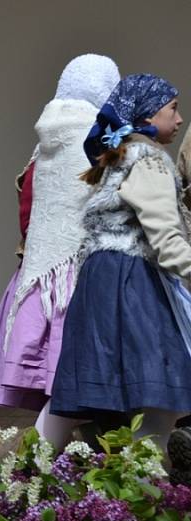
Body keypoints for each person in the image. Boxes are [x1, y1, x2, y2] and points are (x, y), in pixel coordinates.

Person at [0, 54, 121, 449]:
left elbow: (27, 212)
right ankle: (30, 476)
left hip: (42, 276)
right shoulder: (95, 142)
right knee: (72, 388)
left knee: (72, 392)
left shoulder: (45, 146)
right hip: (80, 280)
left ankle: (63, 476)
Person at [50, 74, 188, 457]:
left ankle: (25, 473)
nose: (179, 120)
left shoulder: (119, 156)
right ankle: (147, 493)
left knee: (91, 390)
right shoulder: (148, 161)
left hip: (100, 279)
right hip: (132, 283)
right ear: (147, 112)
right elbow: (167, 241)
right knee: (162, 396)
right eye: (173, 108)